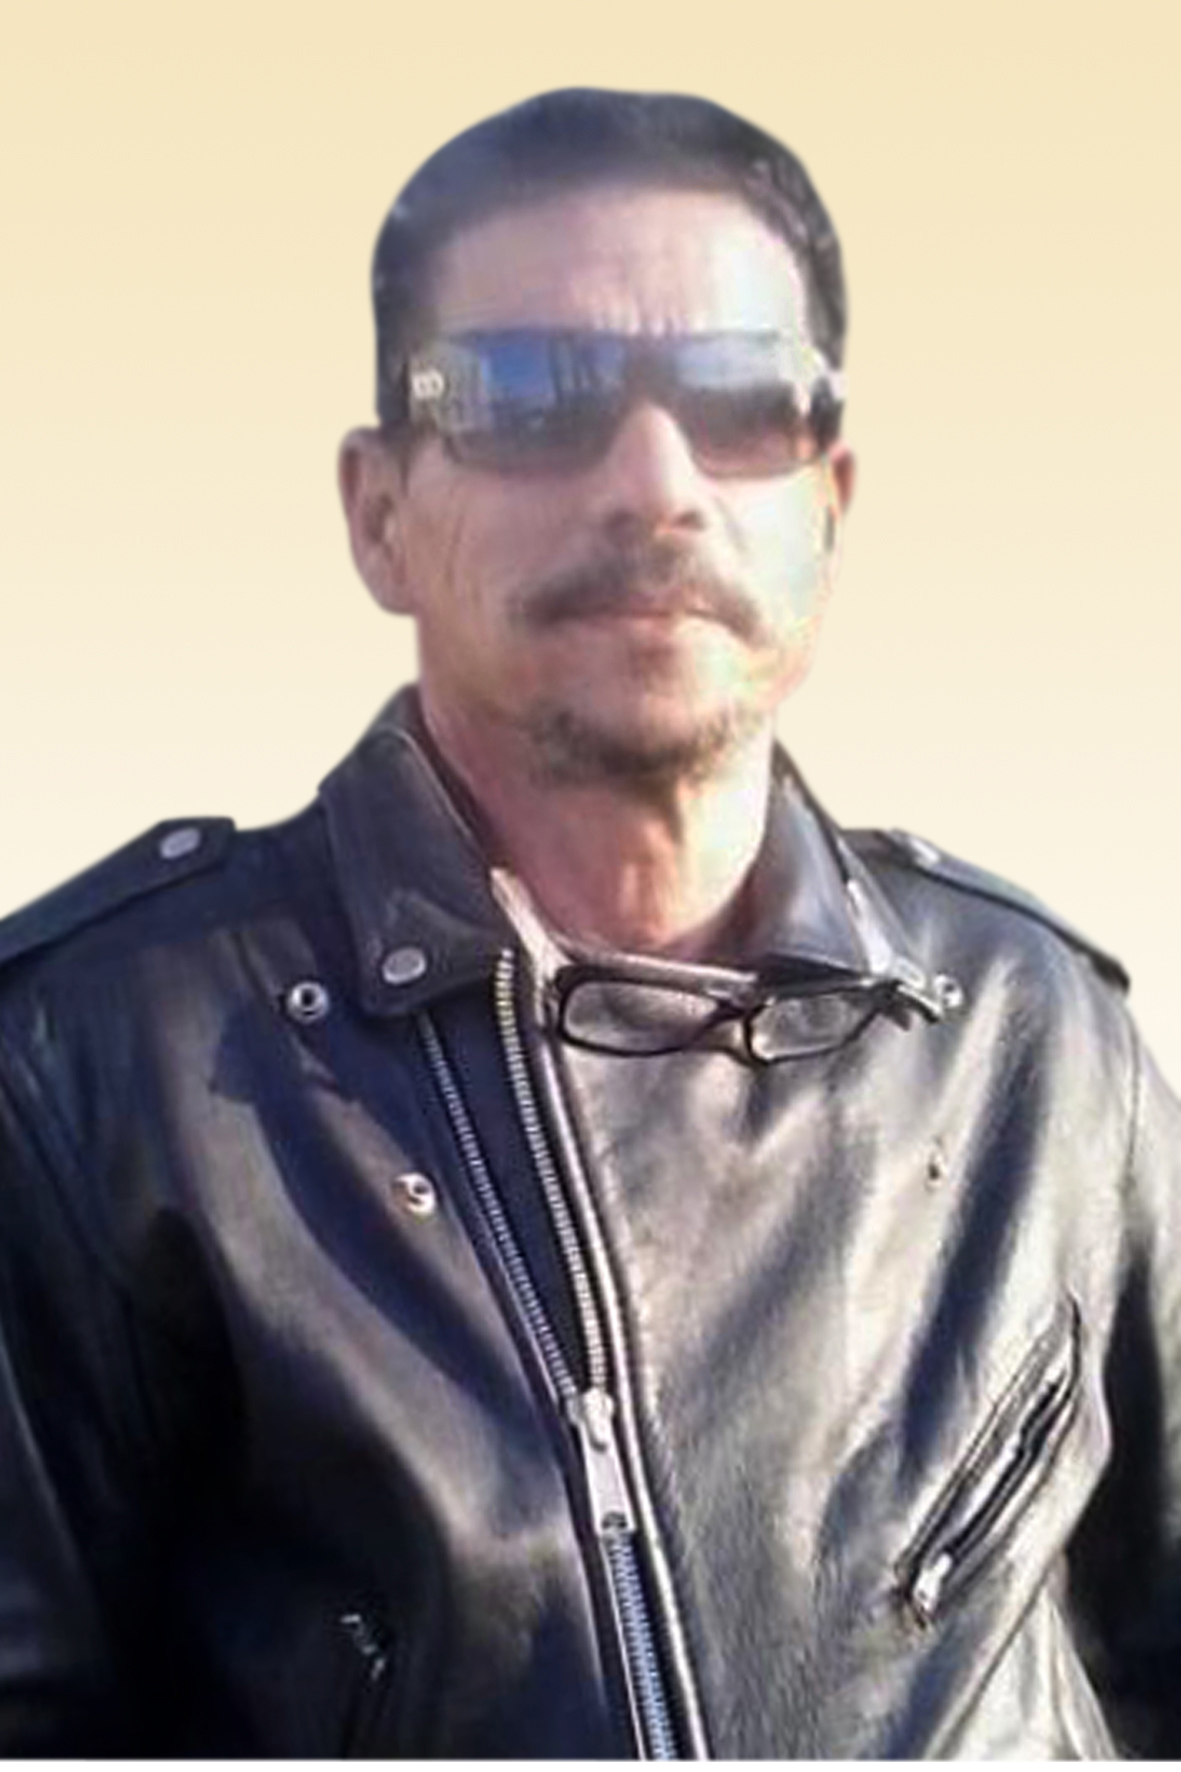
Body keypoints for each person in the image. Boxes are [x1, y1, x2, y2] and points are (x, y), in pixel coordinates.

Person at [0, 86, 1178, 1760]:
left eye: (740, 401)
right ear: (377, 512)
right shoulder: (96, 1069)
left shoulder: (1032, 1042)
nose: (652, 482)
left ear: (828, 500)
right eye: (529, 396)